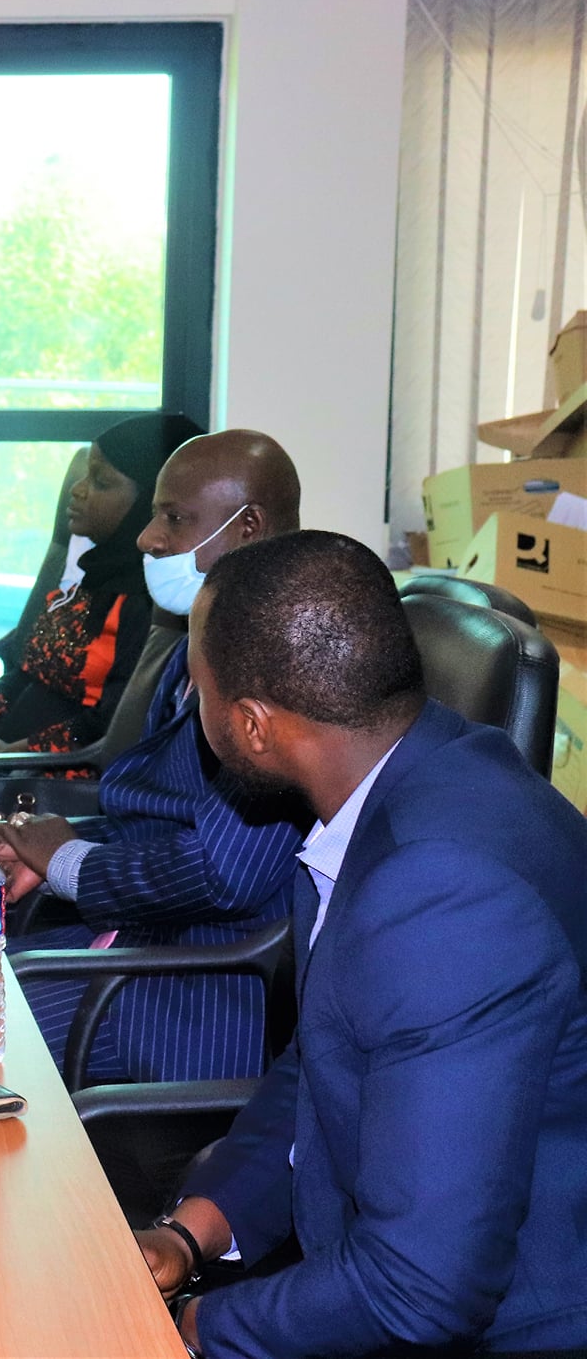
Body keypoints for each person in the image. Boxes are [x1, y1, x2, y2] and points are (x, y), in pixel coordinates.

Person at [138, 531, 587, 1357]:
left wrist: (200, 1328)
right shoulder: (422, 775)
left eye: (199, 685)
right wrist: (191, 1235)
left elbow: (421, 1291)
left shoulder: (442, 893)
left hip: (516, 1327)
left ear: (253, 725)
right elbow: (329, 1056)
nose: (193, 702)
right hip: (401, 1273)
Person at [0, 432, 308, 1107]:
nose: (147, 538)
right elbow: (158, 812)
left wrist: (70, 861)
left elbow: (224, 874)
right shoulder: (199, 639)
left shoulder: (285, 674)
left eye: (174, 518)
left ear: (247, 527)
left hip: (193, 995)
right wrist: (48, 848)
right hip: (138, 945)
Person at [0, 411, 201, 756]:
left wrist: (10, 752)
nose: (77, 491)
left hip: (53, 777)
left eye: (100, 482)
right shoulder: (90, 581)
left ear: (147, 501)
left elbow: (109, 726)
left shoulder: (148, 603)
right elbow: (22, 673)